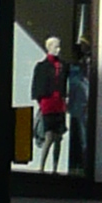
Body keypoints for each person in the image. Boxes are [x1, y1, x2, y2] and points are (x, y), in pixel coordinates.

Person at [31, 39, 69, 173]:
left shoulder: (63, 65)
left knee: (58, 136)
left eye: (59, 47)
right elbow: (37, 86)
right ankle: (42, 166)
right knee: (49, 135)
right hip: (48, 103)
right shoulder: (42, 66)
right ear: (49, 47)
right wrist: (41, 102)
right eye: (55, 47)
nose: (58, 49)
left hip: (59, 103)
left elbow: (65, 82)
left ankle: (55, 167)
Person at [67, 41, 93, 180]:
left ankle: (84, 163)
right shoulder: (77, 72)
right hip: (78, 105)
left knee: (83, 136)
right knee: (80, 136)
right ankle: (82, 162)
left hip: (80, 106)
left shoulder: (76, 72)